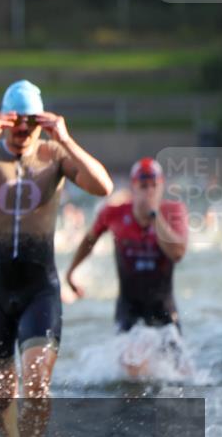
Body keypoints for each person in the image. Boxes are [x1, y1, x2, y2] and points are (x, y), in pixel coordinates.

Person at [0, 79, 113, 437]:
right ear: (3, 121)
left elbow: (103, 186)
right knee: (0, 394)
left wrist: (65, 139)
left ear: (40, 123)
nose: (21, 133)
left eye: (29, 125)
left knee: (36, 382)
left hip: (39, 288)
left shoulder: (55, 156)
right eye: (14, 125)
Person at [66, 157, 189, 377]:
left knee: (181, 376)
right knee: (131, 370)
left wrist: (154, 216)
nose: (149, 192)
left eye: (154, 186)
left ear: (162, 187)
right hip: (129, 308)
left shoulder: (173, 212)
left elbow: (177, 253)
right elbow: (89, 240)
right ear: (133, 188)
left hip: (164, 309)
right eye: (143, 186)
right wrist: (70, 273)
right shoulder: (113, 213)